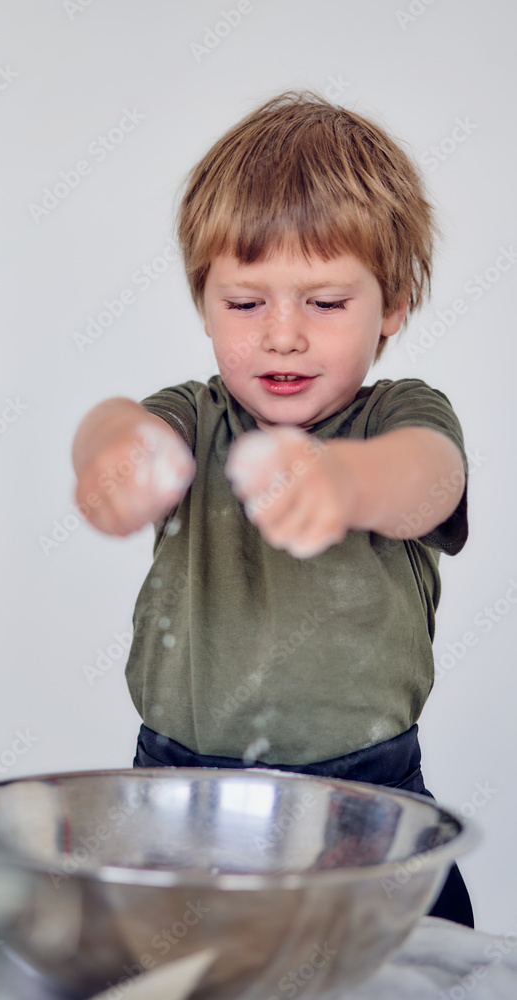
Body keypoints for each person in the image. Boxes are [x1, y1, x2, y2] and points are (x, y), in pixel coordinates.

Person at [72, 91, 473, 926]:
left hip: (366, 801)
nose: (282, 334)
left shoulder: (398, 416)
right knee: (158, 971)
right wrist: (114, 460)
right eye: (245, 303)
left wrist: (345, 481)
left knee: (416, 970)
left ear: (393, 301)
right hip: (176, 793)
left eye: (324, 303)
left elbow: (429, 479)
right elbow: (115, 423)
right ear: (202, 302)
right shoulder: (192, 418)